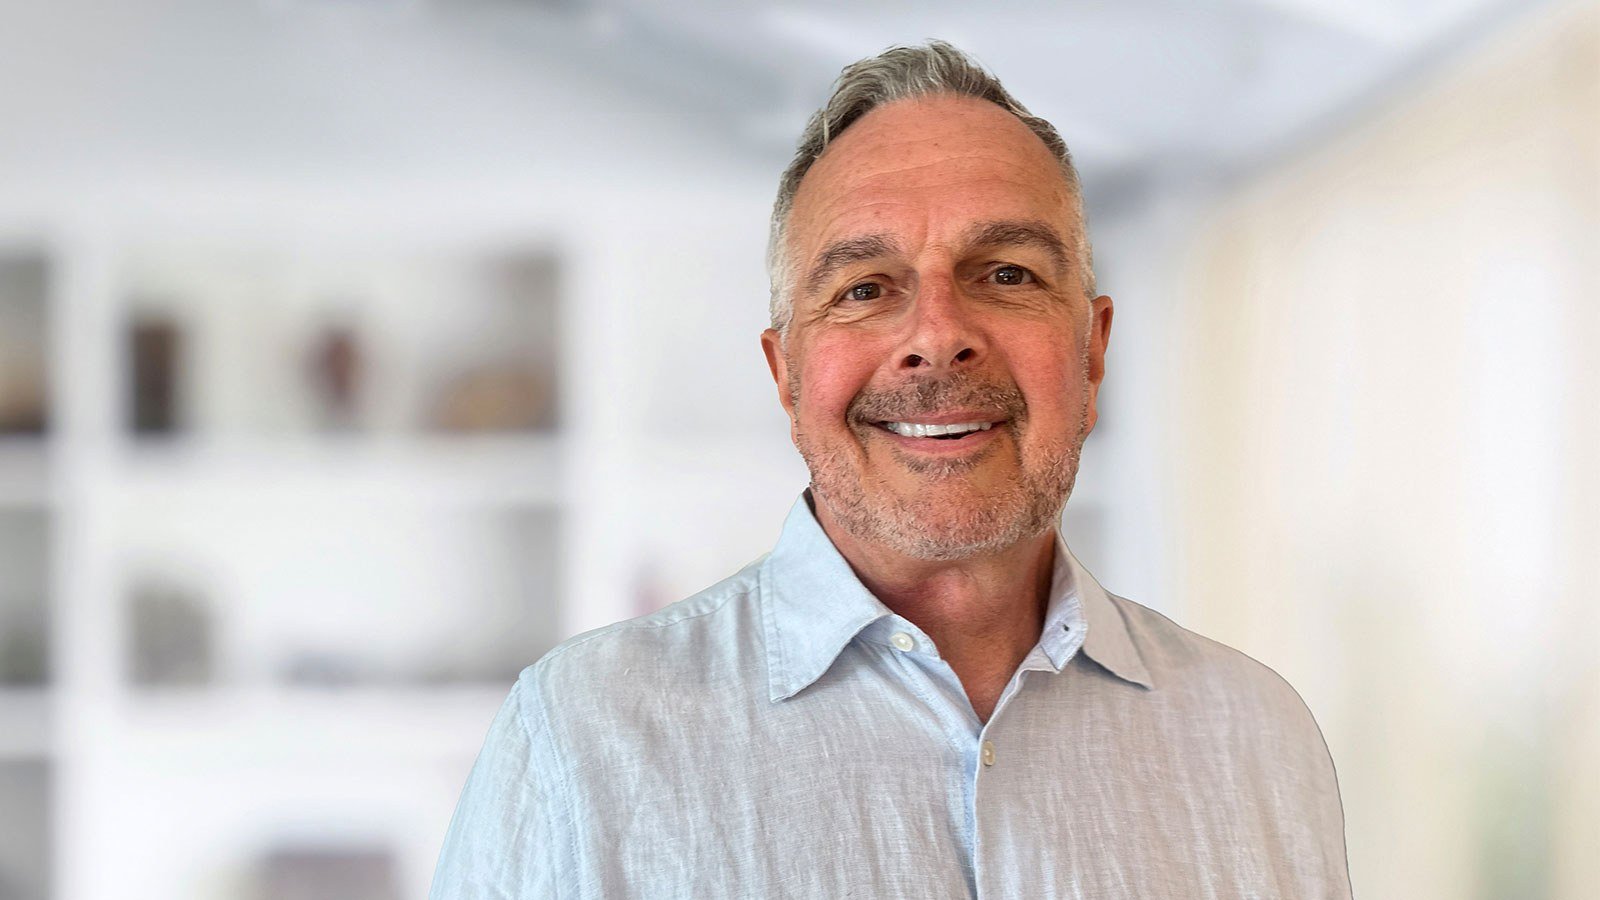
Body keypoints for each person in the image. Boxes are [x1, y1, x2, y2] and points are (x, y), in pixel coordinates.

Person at [430, 41, 1352, 899]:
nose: (939, 335)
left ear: (1093, 352)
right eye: (864, 289)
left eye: (1007, 274)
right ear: (787, 375)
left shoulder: (1259, 741)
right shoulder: (581, 742)